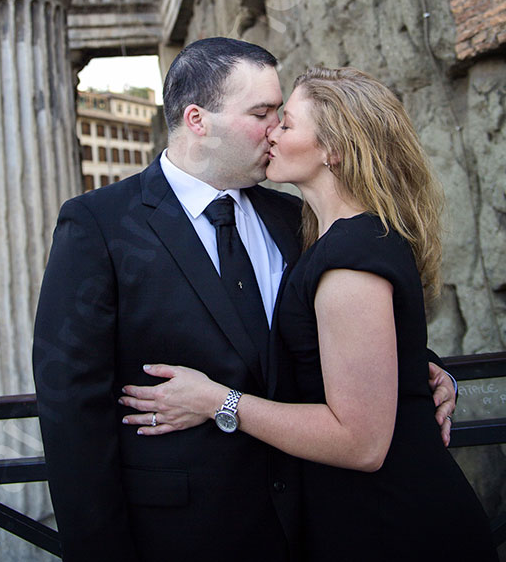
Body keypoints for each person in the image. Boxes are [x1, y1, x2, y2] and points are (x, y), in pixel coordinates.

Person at [33, 41, 455, 562]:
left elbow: (342, 335)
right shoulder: (98, 224)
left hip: (314, 519)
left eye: (282, 114)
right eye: (261, 113)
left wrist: (425, 373)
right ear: (198, 120)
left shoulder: (294, 217)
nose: (275, 128)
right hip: (185, 533)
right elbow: (70, 406)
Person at [119, 66, 497, 562]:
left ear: (331, 149)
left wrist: (217, 401)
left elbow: (361, 443)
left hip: (390, 525)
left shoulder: (348, 257)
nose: (271, 131)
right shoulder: (330, 237)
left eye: (287, 123)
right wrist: (419, 368)